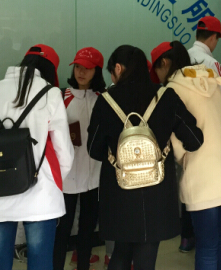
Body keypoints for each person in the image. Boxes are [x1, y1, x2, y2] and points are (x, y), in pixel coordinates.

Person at [87, 45, 204, 270]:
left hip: (119, 192)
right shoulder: (166, 96)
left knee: (120, 253)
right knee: (146, 258)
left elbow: (93, 149)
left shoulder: (105, 101)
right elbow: (194, 139)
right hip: (156, 194)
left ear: (118, 68)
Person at [0, 44, 74, 270]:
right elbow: (64, 151)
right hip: (40, 193)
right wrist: (55, 181)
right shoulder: (50, 94)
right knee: (40, 261)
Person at [151, 41, 221, 270]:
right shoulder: (207, 77)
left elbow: (177, 140)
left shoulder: (171, 91)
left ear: (164, 63)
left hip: (203, 171)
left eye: (156, 69)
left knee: (206, 244)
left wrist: (181, 156)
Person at [53, 47, 105, 270]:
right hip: (67, 177)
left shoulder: (102, 99)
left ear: (97, 71)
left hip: (94, 177)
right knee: (62, 230)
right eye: (77, 67)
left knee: (87, 229)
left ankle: (83, 265)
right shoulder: (61, 97)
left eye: (87, 68)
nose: (81, 72)